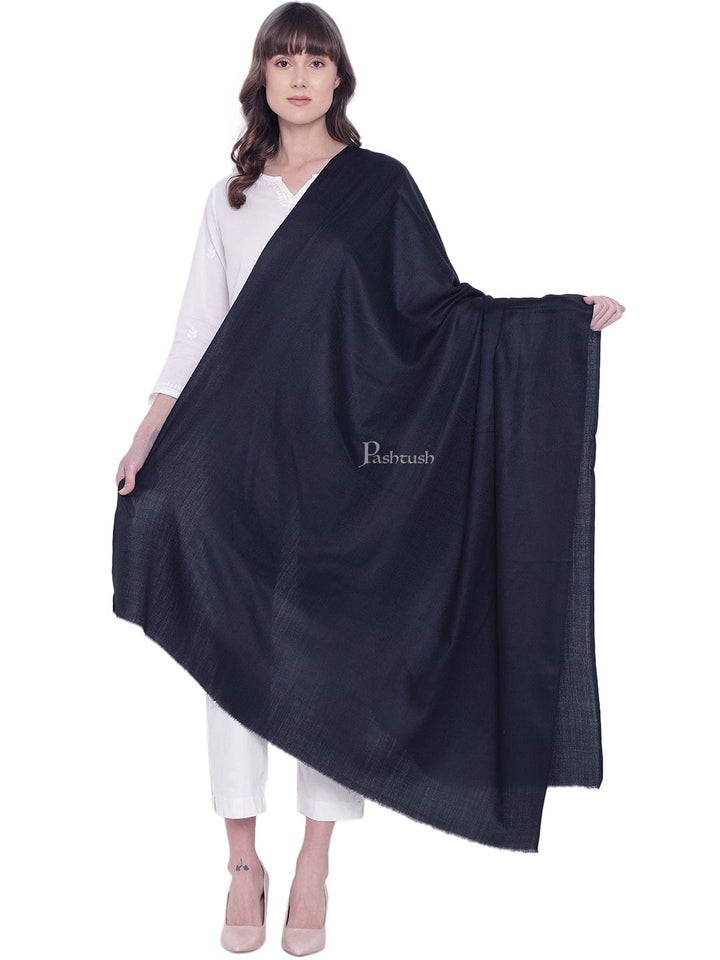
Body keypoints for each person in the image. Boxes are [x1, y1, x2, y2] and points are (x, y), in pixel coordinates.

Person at [114, 3, 625, 955]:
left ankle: (314, 861)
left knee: (330, 662)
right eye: (284, 61)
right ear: (262, 79)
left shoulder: (378, 187)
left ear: (339, 78)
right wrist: (148, 437)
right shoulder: (231, 199)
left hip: (345, 464)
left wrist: (554, 323)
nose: (300, 77)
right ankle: (241, 861)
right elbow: (198, 331)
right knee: (228, 650)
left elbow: (439, 314)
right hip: (237, 460)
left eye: (317, 61)